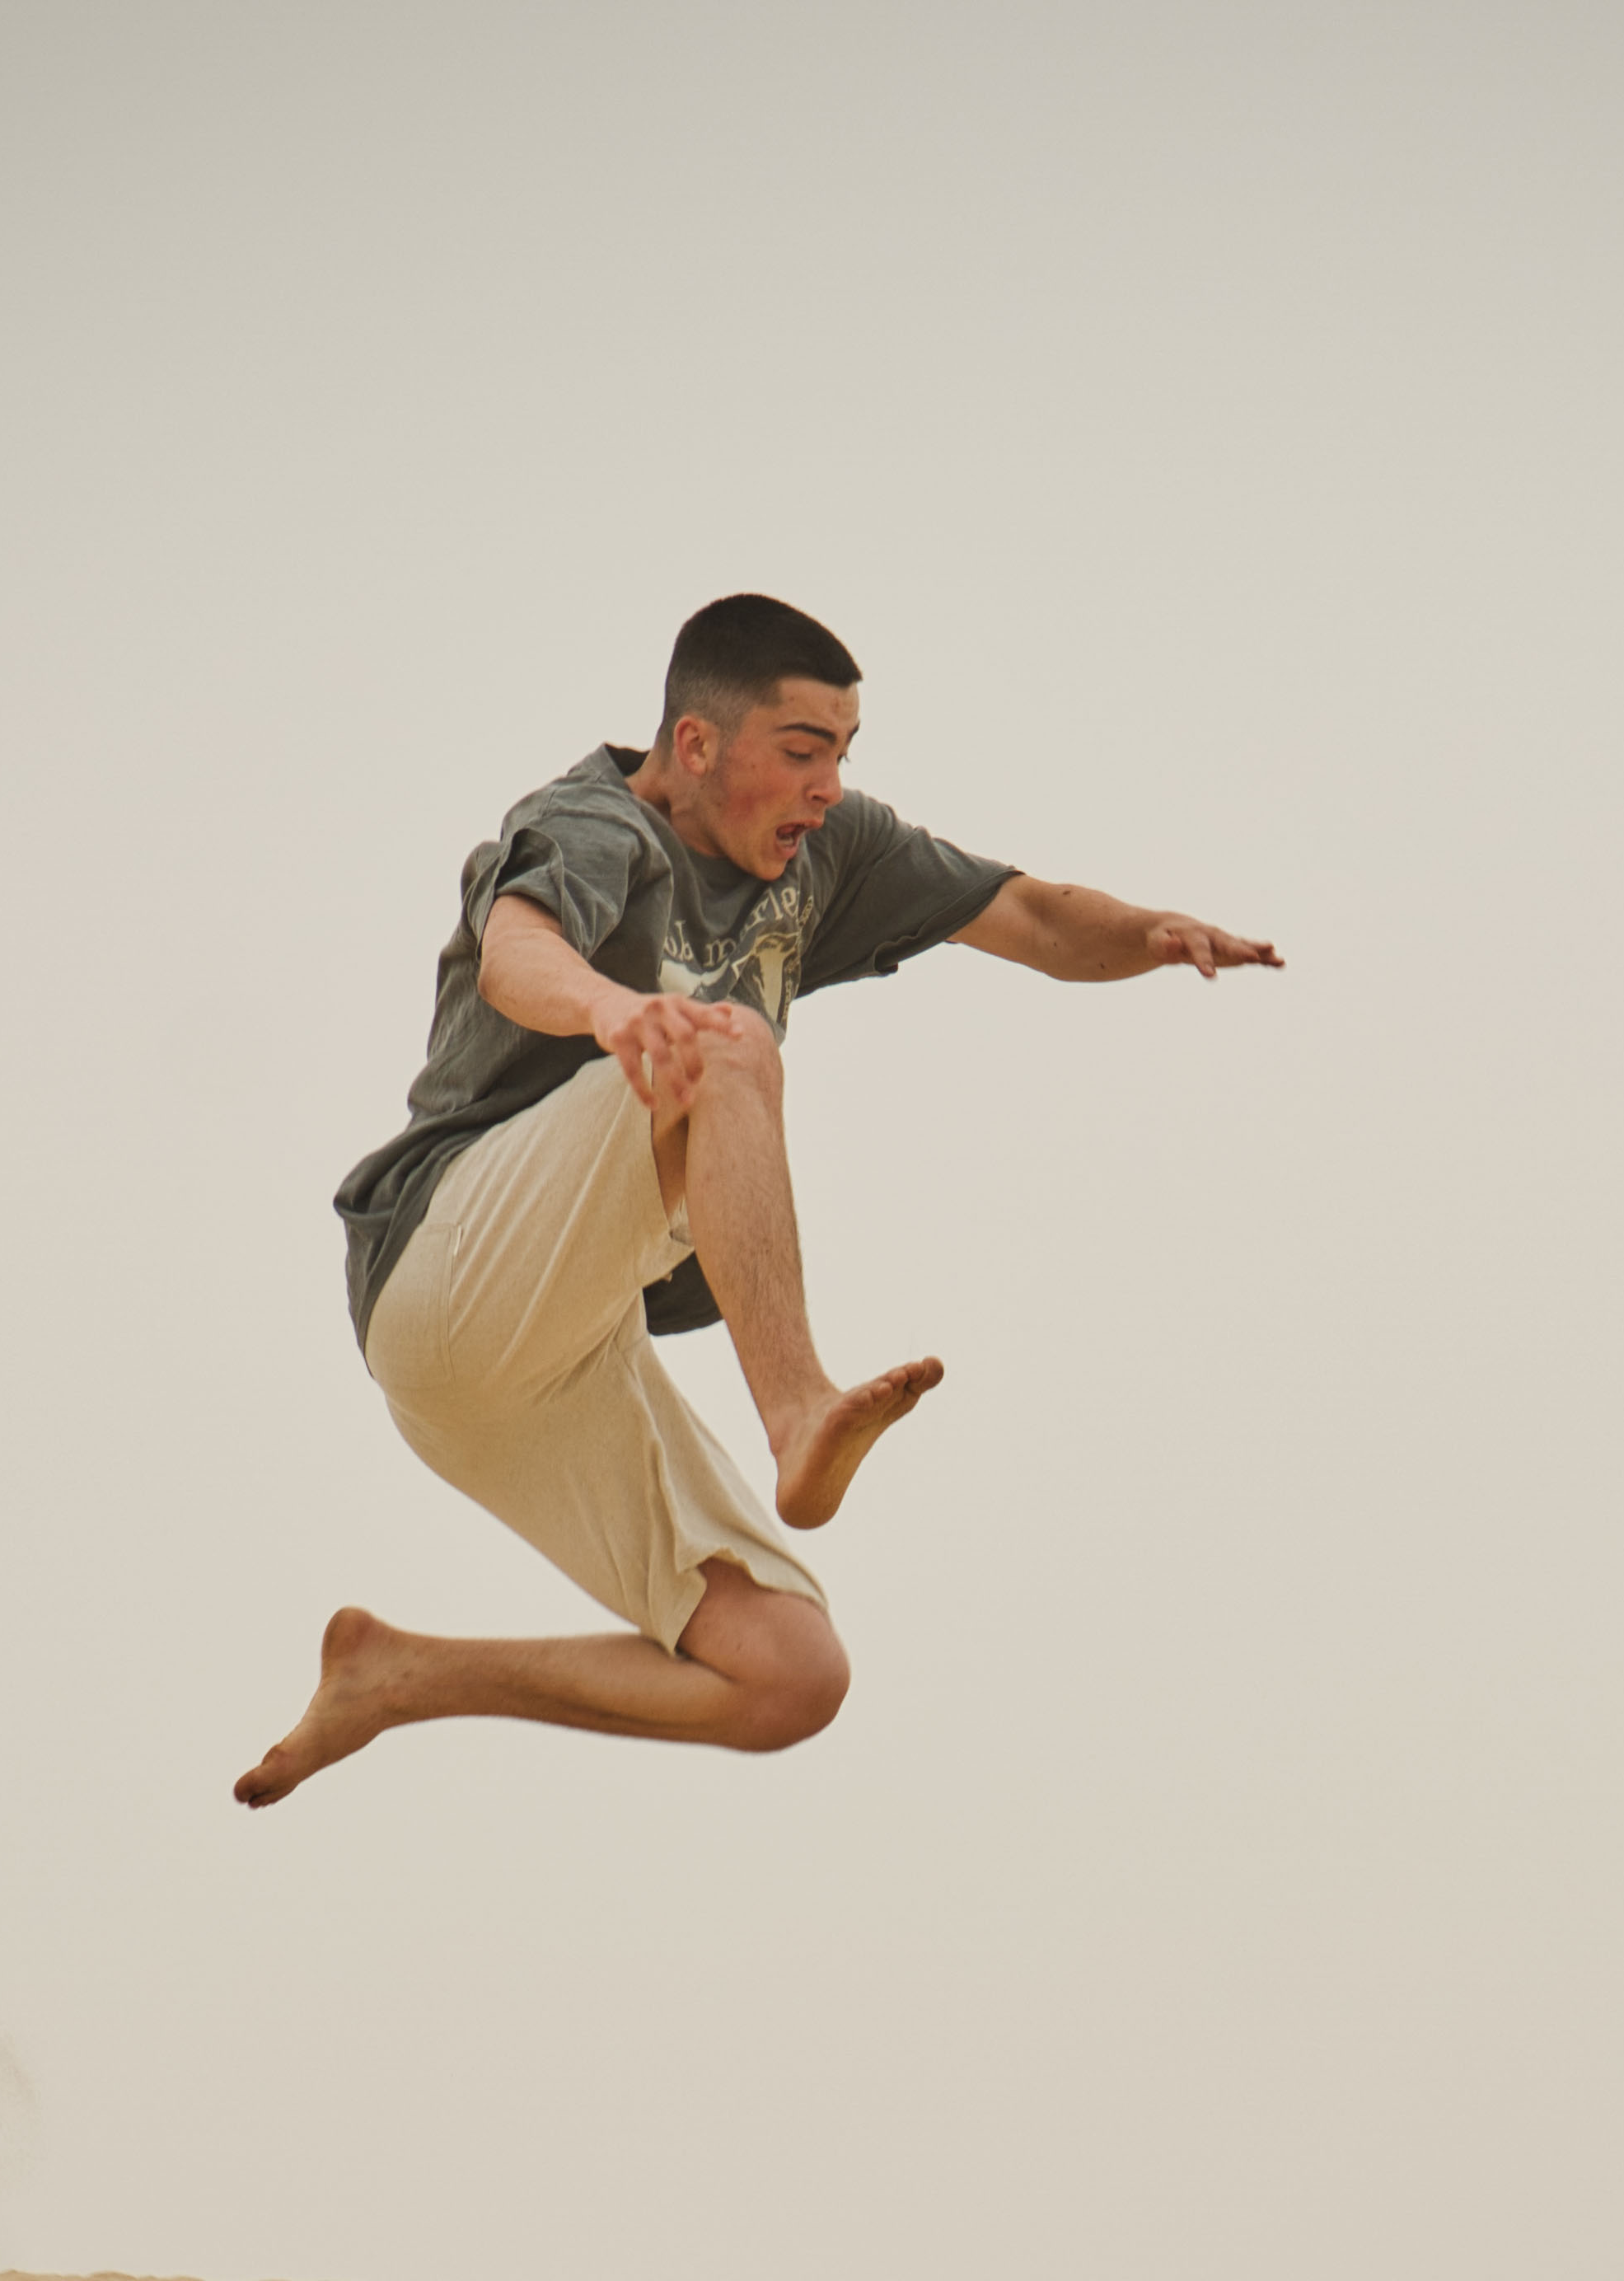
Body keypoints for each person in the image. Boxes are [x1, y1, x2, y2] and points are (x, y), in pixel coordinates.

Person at [235, 593, 1278, 1806]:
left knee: (788, 1676)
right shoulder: (592, 826)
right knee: (722, 1045)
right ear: (693, 746)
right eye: (799, 753)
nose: (826, 787)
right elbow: (518, 946)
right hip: (441, 1262)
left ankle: (399, 1676)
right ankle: (792, 1414)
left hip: (552, 1356)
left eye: (842, 754)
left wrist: (1150, 932)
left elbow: (1033, 916)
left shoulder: (830, 853)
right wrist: (607, 1009)